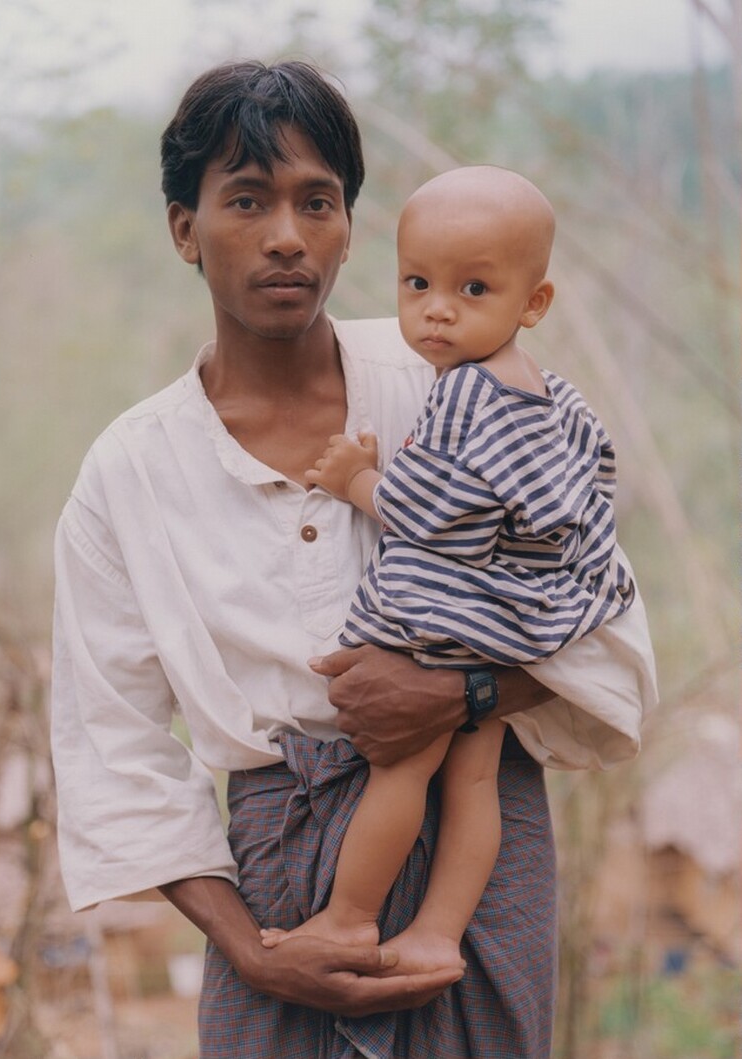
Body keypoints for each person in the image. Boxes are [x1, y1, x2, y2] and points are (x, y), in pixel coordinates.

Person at [51, 59, 657, 1059]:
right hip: (274, 882)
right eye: (248, 199)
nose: (287, 235)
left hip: (478, 844)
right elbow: (113, 744)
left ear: (347, 229)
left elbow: (605, 621)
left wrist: (463, 693)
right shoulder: (130, 473)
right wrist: (250, 952)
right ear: (184, 229)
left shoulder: (459, 386)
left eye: (317, 201)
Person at [259, 165, 635, 977]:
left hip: (449, 618)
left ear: (533, 302)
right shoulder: (555, 396)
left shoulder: (466, 391)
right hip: (513, 623)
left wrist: (355, 479)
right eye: (417, 283)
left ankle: (349, 918)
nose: (437, 308)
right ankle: (436, 930)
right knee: (473, 780)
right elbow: (587, 491)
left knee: (404, 766)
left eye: (472, 289)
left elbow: (432, 517)